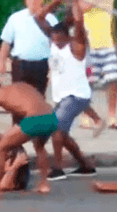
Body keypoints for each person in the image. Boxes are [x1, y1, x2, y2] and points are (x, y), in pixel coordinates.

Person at [34, 0, 99, 181]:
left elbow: (79, 24)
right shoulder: (55, 43)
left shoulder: (76, 46)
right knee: (61, 133)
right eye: (53, 37)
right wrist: (56, 2)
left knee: (57, 130)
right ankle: (85, 165)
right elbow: (39, 17)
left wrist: (77, 5)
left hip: (76, 96)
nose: (55, 41)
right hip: (62, 98)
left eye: (58, 37)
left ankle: (58, 169)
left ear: (66, 36)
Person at [0, 79, 58, 198]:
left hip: (34, 120)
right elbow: (24, 111)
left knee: (1, 149)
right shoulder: (22, 85)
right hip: (51, 118)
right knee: (39, 147)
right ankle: (44, 184)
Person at [0, 0, 58, 98]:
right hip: (20, 65)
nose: (33, 2)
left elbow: (57, 46)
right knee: (19, 99)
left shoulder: (51, 19)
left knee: (38, 99)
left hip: (41, 65)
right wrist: (2, 64)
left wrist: (55, 69)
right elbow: (6, 43)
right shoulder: (15, 18)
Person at [79, 0, 117, 130]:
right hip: (89, 45)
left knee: (113, 80)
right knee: (88, 82)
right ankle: (85, 115)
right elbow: (82, 7)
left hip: (107, 44)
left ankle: (112, 116)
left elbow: (85, 5)